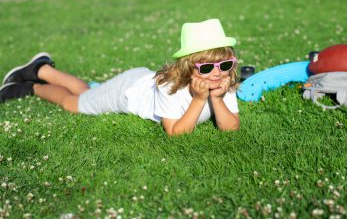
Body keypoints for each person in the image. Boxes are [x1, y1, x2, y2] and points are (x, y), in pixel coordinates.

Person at [0, 18, 240, 135]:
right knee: (74, 103)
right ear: (189, 68)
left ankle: (41, 69)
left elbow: (231, 128)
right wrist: (199, 100)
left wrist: (217, 100)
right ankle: (32, 86)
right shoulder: (170, 87)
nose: (217, 72)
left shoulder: (223, 84)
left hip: (137, 82)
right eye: (207, 68)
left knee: (86, 92)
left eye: (225, 64)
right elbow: (175, 133)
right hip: (127, 92)